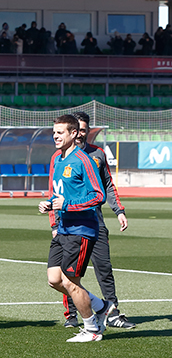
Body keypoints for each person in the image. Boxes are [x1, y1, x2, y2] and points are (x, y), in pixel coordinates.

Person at [52, 112, 135, 329]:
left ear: (87, 131)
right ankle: (72, 315)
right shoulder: (58, 157)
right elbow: (55, 190)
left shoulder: (97, 154)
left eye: (83, 130)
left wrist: (118, 210)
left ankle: (112, 312)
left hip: (94, 221)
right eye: (77, 129)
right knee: (66, 274)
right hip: (68, 223)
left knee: (104, 267)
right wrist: (54, 222)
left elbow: (107, 186)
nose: (80, 133)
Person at [38, 114, 113, 343]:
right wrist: (50, 204)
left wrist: (68, 205)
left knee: (71, 281)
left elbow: (98, 195)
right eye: (54, 133)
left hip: (81, 230)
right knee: (54, 279)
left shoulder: (83, 160)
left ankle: (92, 330)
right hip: (63, 228)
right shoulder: (58, 159)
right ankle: (101, 306)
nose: (55, 136)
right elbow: (61, 193)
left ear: (73, 133)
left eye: (60, 133)